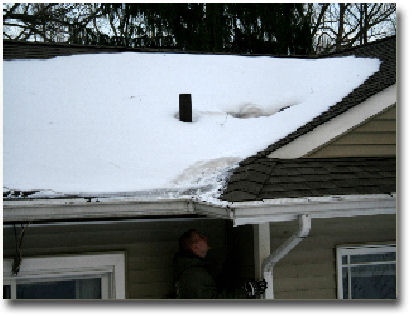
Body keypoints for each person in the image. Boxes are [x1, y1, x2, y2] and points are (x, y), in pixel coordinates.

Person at [173, 229, 266, 299]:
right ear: (195, 247)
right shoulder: (194, 275)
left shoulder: (196, 271)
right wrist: (246, 291)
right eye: (201, 237)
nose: (205, 238)